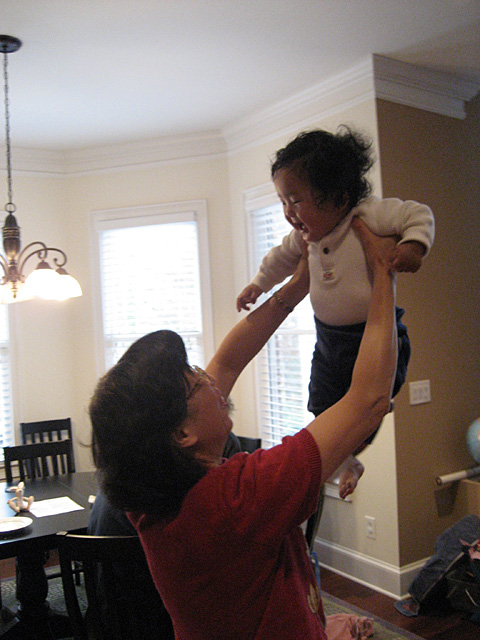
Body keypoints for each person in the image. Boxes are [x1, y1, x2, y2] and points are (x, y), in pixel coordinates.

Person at [89, 218, 398, 640]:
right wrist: (383, 273)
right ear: (182, 435)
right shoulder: (238, 500)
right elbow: (368, 401)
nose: (210, 376)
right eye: (196, 379)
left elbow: (230, 361)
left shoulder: (151, 495)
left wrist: (295, 287)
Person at [237, 126, 435, 499]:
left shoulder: (370, 214)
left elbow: (418, 214)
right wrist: (259, 285)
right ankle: (347, 462)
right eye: (282, 202)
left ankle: (352, 453)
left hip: (374, 336)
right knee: (321, 403)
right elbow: (279, 259)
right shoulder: (305, 237)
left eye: (295, 200)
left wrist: (414, 246)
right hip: (328, 338)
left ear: (338, 196)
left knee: (366, 408)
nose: (288, 213)